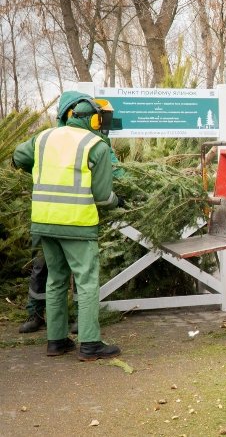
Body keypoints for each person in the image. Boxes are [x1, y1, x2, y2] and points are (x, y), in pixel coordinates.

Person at [13, 94, 123, 360]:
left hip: (44, 221)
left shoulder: (44, 137)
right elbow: (102, 195)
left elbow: (18, 156)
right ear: (93, 120)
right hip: (76, 223)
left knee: (56, 279)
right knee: (86, 282)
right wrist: (118, 200)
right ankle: (90, 344)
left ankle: (57, 340)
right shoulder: (94, 145)